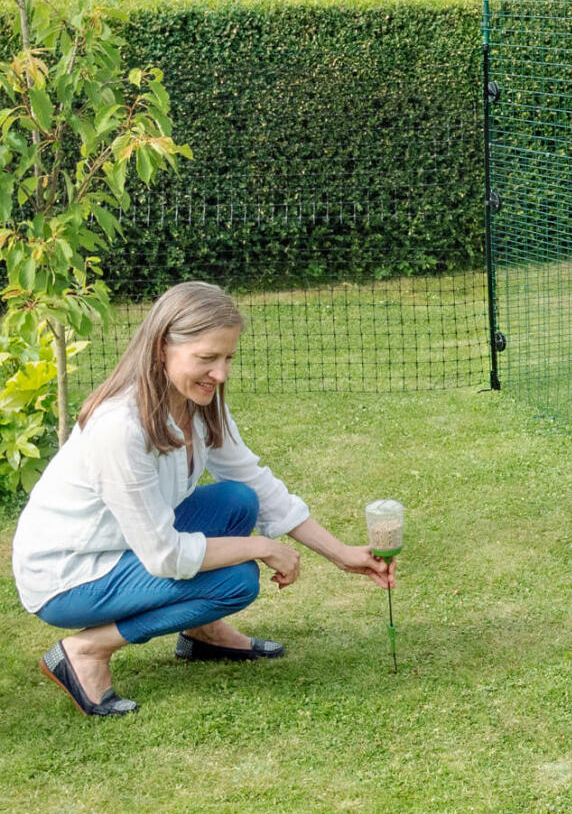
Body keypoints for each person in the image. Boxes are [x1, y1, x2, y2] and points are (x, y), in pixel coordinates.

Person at [11, 281, 394, 717]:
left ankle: (202, 632)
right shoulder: (119, 426)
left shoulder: (200, 400)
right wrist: (262, 546)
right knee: (236, 581)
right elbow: (164, 556)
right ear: (161, 350)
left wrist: (341, 554)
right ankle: (86, 650)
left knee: (238, 500)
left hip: (126, 543)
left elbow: (256, 481)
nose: (222, 373)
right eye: (207, 358)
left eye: (228, 357)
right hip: (68, 571)